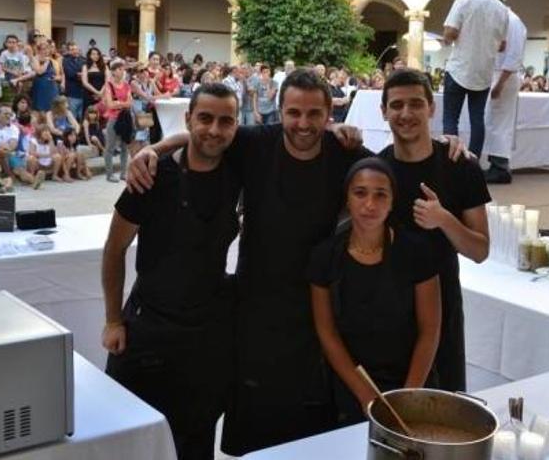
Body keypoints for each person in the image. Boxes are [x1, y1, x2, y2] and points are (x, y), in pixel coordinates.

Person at [126, 69, 380, 455]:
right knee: (256, 426)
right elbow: (205, 138)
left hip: (314, 304)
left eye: (314, 114)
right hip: (255, 306)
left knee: (307, 430)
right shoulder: (256, 143)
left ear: (331, 113)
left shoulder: (343, 153)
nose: (304, 123)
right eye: (294, 113)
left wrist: (443, 143)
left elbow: (388, 177)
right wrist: (153, 150)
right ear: (279, 112)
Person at [103, 83, 241, 460]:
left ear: (236, 126)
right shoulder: (151, 176)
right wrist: (113, 320)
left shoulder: (239, 168)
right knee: (129, 434)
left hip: (205, 334)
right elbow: (114, 250)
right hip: (148, 324)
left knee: (195, 439)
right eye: (205, 119)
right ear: (188, 118)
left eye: (225, 121)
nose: (214, 129)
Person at [377, 69, 490, 392]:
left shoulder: (461, 167)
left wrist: (445, 220)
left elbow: (480, 251)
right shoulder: (378, 171)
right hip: (389, 310)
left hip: (443, 309)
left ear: (431, 108)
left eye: (416, 104)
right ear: (383, 111)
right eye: (397, 105)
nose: (406, 113)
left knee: (442, 410)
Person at [308, 157, 441, 425]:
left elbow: (430, 329)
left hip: (411, 380)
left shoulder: (417, 252)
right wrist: (365, 394)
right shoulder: (325, 256)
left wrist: (408, 395)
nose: (370, 205)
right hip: (350, 384)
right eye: (360, 193)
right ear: (347, 199)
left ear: (392, 202)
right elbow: (327, 332)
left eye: (381, 195)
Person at [442, 0, 508, 157]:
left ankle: (450, 161)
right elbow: (503, 45)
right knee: (477, 120)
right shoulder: (502, 9)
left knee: (450, 118)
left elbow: (451, 32)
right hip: (484, 72)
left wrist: (447, 37)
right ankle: (474, 163)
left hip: (459, 68)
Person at [484, 0, 526, 184]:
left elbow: (513, 56)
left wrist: (500, 83)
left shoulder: (513, 21)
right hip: (497, 74)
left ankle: (500, 166)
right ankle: (495, 162)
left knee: (500, 121)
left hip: (504, 76)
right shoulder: (502, 19)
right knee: (494, 121)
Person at [104, 59, 132, 182]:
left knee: (125, 146)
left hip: (125, 118)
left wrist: (119, 103)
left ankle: (123, 173)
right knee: (110, 146)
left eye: (123, 69)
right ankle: (109, 174)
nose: (123, 71)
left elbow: (130, 103)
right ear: (114, 71)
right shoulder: (108, 85)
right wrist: (123, 103)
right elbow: (110, 105)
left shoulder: (126, 85)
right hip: (113, 118)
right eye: (120, 69)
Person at [30, 40, 60, 112]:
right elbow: (39, 72)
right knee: (40, 110)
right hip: (40, 88)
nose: (46, 51)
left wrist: (56, 78)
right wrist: (46, 62)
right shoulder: (35, 58)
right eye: (43, 49)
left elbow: (58, 75)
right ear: (39, 50)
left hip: (52, 87)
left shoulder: (53, 60)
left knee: (52, 109)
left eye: (47, 48)